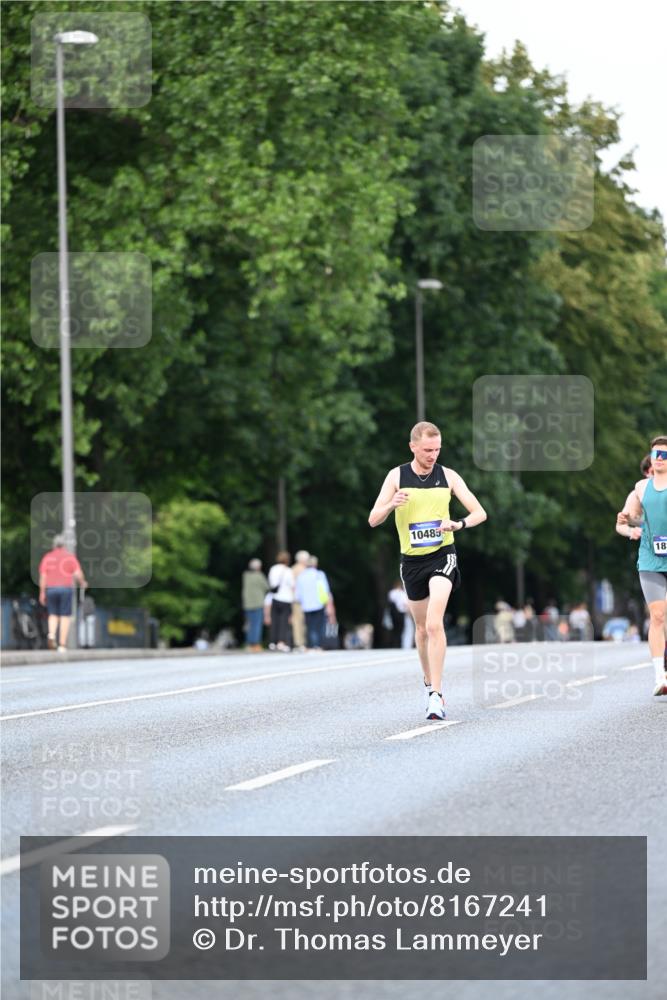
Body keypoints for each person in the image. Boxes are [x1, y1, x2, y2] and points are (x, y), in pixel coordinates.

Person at [368, 421, 487, 720]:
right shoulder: (396, 476)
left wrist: (458, 524)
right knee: (420, 629)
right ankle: (427, 681)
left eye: (437, 450)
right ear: (413, 447)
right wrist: (391, 504)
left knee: (434, 624)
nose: (433, 455)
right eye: (427, 450)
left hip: (442, 555)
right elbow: (373, 519)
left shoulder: (448, 476)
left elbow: (479, 512)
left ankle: (437, 694)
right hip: (411, 562)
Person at [617, 436, 667, 696]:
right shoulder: (640, 487)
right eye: (656, 453)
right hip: (650, 559)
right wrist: (627, 521)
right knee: (657, 615)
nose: (659, 458)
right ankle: (660, 676)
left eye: (664, 455)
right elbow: (629, 518)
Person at [38, 533, 87, 652]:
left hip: (51, 589)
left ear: (54, 545)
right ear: (64, 545)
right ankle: (62, 644)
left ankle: (51, 634)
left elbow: (43, 577)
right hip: (65, 589)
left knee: (53, 614)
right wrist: (83, 583)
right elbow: (77, 574)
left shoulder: (47, 557)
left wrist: (42, 592)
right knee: (65, 616)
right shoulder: (69, 557)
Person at [295, 555, 333, 651]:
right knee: (319, 625)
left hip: (306, 605)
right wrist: (328, 604)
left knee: (310, 626)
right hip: (318, 603)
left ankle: (312, 644)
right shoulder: (319, 574)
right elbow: (325, 590)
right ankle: (318, 645)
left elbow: (298, 594)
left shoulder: (301, 576)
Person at [267, 551, 294, 652]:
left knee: (275, 620)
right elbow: (292, 585)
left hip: (275, 597)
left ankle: (272, 642)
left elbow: (271, 583)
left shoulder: (273, 569)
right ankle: (281, 642)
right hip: (286, 598)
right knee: (284, 621)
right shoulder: (288, 571)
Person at [242, 558, 268, 651]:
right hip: (258, 603)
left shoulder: (246, 576)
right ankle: (255, 644)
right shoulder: (259, 576)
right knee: (256, 625)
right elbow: (266, 587)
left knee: (249, 625)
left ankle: (248, 644)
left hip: (247, 603)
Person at [291, 550, 310, 652]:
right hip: (301, 599)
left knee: (298, 621)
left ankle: (299, 642)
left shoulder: (293, 569)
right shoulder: (303, 570)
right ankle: (300, 643)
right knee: (300, 621)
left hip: (296, 598)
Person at [387, 580, 408, 648]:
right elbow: (404, 603)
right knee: (400, 628)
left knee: (396, 629)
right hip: (399, 613)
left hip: (395, 613)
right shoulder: (401, 593)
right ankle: (397, 643)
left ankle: (396, 643)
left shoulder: (392, 592)